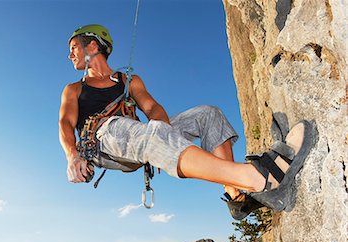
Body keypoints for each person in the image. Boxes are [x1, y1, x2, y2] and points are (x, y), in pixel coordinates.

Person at [59, 24, 315, 219]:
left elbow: (153, 108)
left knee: (208, 113)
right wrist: (72, 156)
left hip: (140, 137)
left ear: (92, 46)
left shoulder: (129, 81)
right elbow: (65, 125)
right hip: (104, 141)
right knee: (120, 127)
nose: (70, 55)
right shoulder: (74, 89)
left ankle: (236, 197)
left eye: (73, 47)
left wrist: (160, 136)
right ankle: (258, 178)